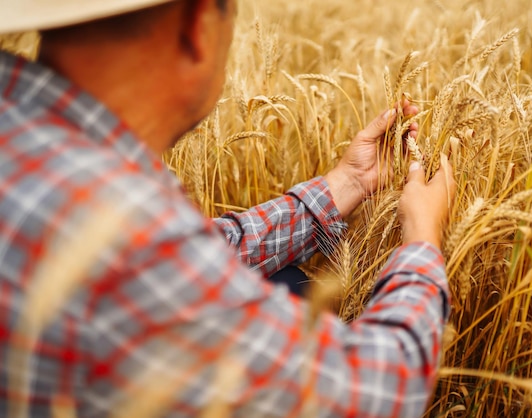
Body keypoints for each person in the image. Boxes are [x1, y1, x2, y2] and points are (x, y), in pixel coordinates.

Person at [0, 0, 456, 416]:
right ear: (198, 25)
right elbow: (375, 395)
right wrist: (422, 237)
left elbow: (196, 256)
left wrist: (347, 183)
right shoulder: (125, 223)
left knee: (288, 281)